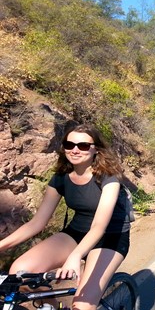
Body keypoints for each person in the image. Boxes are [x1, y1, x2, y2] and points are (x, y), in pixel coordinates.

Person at [0, 124, 130, 310]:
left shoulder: (109, 178)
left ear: (96, 149)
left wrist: (75, 256)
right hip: (76, 233)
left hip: (110, 237)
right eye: (70, 145)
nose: (75, 150)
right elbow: (37, 222)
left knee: (82, 305)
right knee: (20, 272)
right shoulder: (61, 177)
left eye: (83, 146)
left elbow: (99, 227)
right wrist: (2, 246)